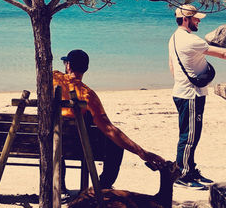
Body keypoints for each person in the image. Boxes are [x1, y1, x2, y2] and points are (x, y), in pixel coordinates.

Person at [54, 49, 165, 191]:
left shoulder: (52, 78)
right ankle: (103, 185)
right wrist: (141, 152)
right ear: (86, 69)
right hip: (78, 148)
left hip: (47, 142)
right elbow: (109, 130)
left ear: (68, 65)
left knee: (58, 141)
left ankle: (60, 187)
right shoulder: (88, 95)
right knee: (116, 145)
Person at [169, 4, 226, 189]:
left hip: (182, 91)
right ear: (185, 19)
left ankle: (190, 169)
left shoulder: (174, 38)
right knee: (189, 137)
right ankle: (182, 175)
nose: (199, 21)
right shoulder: (191, 40)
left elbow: (171, 65)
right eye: (195, 18)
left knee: (190, 135)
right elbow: (225, 54)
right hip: (191, 95)